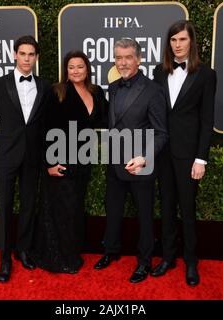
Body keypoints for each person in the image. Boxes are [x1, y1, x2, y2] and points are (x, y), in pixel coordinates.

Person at [93, 38, 168, 283]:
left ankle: (144, 262)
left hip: (140, 166)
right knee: (112, 211)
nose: (122, 62)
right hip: (114, 163)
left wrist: (144, 158)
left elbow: (161, 132)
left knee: (144, 216)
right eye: (118, 57)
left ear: (139, 59)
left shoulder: (153, 90)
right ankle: (110, 251)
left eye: (127, 57)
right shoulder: (113, 87)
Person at [150, 20, 217, 286]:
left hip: (189, 155)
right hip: (162, 152)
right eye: (173, 40)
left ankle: (191, 261)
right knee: (166, 207)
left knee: (187, 210)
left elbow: (206, 119)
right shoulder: (158, 72)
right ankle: (167, 257)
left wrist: (201, 158)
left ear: (192, 42)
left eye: (182, 40)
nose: (177, 45)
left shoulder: (206, 75)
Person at [31, 51, 108, 274]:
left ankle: (71, 252)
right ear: (66, 70)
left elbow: (108, 117)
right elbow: (45, 128)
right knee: (61, 210)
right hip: (59, 160)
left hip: (83, 161)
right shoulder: (58, 91)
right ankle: (59, 259)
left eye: (80, 67)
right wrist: (49, 163)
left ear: (87, 69)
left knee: (74, 210)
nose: (75, 71)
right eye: (71, 67)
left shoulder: (96, 92)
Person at [0, 35, 49, 283]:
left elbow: (46, 125)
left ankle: (23, 250)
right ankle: (5, 259)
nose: (27, 58)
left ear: (36, 57)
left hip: (33, 157)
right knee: (5, 208)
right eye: (23, 54)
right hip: (6, 157)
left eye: (31, 54)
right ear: (15, 55)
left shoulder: (44, 86)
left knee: (29, 206)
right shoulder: (0, 84)